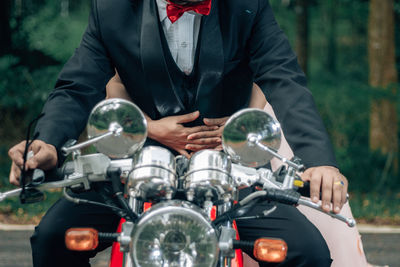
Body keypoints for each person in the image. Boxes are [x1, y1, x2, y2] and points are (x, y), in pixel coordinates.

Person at [7, 0, 349, 266]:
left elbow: (284, 79)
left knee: (306, 253)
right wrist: (47, 142)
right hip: (137, 163)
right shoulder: (110, 8)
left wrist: (320, 162)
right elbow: (77, 86)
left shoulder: (248, 5)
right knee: (54, 238)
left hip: (230, 165)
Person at [107, 74, 370, 267]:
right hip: (149, 160)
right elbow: (114, 80)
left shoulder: (244, 12)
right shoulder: (127, 15)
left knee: (307, 251)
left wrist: (241, 123)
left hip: (235, 161)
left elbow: (269, 76)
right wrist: (148, 127)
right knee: (67, 233)